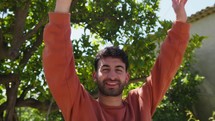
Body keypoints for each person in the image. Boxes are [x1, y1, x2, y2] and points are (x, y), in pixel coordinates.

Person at [42, 0, 190, 120]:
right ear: (95, 76)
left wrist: (180, 17)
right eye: (105, 69)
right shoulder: (80, 105)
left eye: (118, 69)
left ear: (127, 77)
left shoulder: (139, 104)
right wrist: (62, 5)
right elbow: (59, 62)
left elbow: (166, 67)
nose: (112, 76)